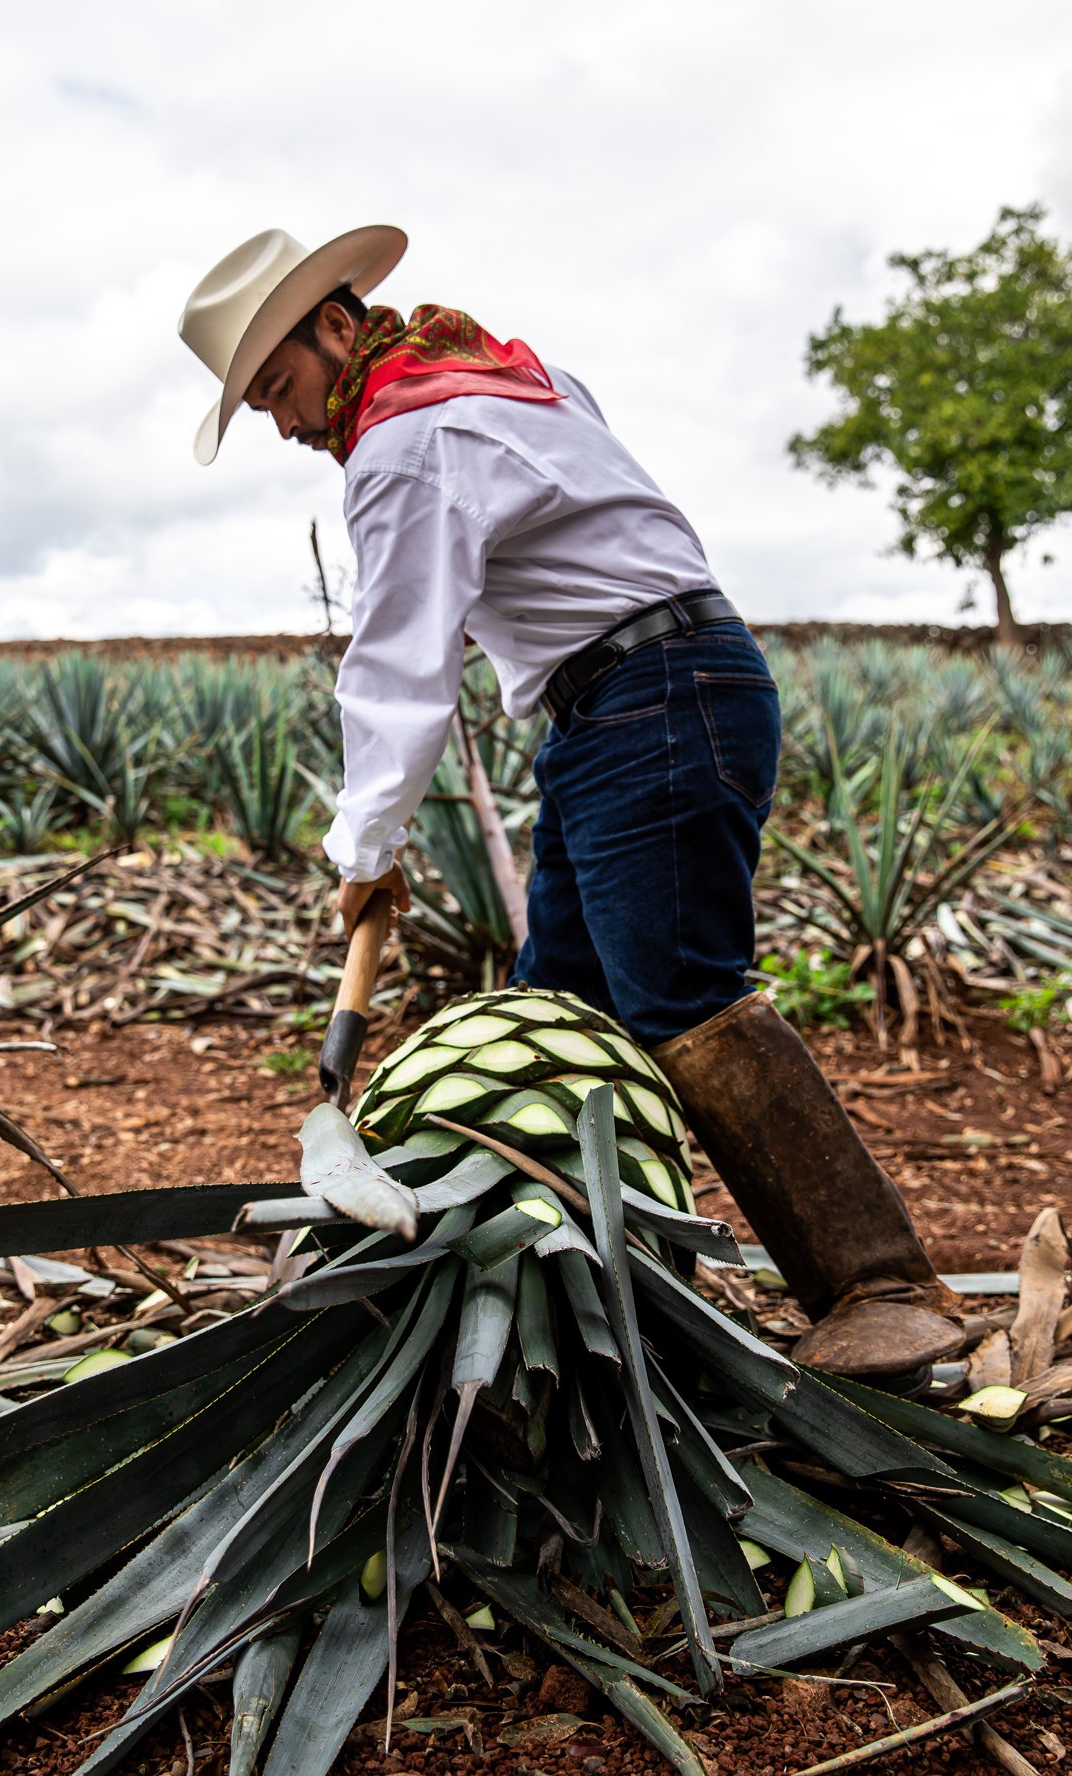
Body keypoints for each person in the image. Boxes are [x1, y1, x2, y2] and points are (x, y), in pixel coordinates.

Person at [178, 224, 964, 1387]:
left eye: (279, 388)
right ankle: (581, 1295)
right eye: (260, 407)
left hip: (649, 695)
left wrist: (367, 849)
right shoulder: (504, 376)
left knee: (682, 993)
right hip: (645, 693)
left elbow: (397, 668)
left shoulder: (400, 443)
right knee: (558, 1008)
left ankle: (879, 1289)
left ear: (335, 326)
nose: (285, 424)